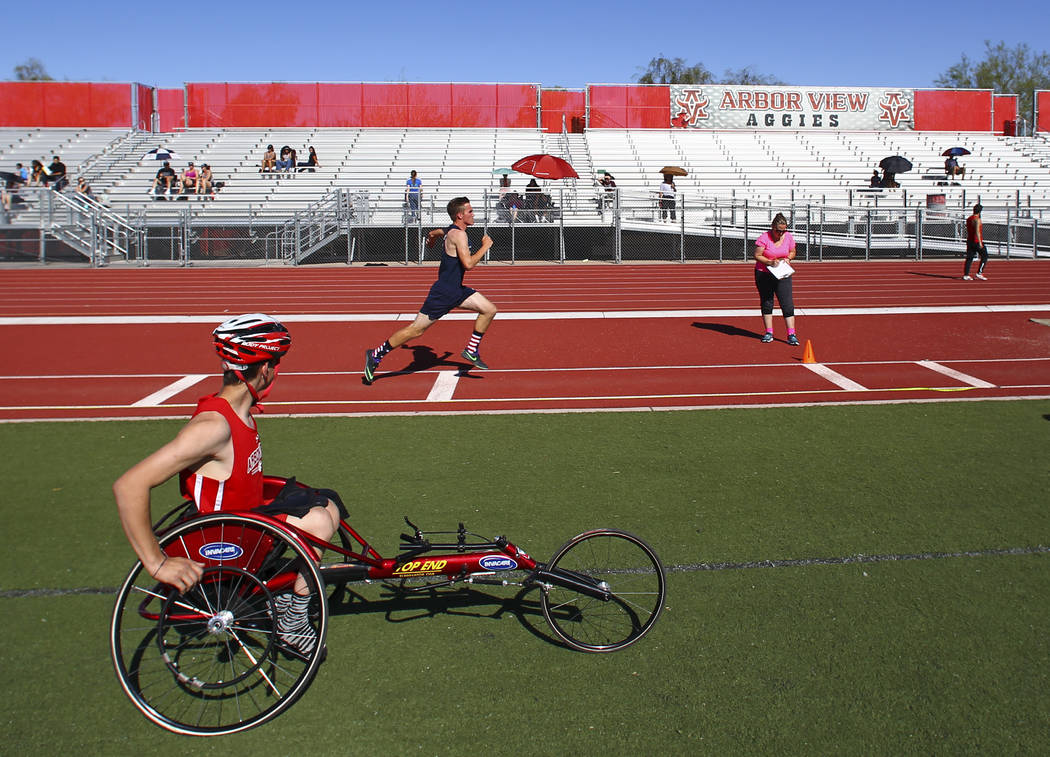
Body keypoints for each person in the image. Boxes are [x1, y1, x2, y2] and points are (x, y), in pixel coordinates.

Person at [113, 314, 344, 654]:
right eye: (276, 363)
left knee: (326, 503)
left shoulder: (238, 412)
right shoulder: (213, 427)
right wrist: (157, 561)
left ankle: (283, 595)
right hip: (226, 538)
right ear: (264, 369)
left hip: (246, 521)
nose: (277, 371)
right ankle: (291, 619)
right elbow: (129, 485)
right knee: (319, 521)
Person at [364, 197, 497, 383]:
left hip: (456, 290)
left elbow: (437, 231)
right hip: (443, 293)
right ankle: (376, 354)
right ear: (460, 215)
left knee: (489, 309)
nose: (473, 214)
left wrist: (431, 238)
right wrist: (485, 247)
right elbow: (468, 264)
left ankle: (471, 350)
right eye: (470, 211)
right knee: (416, 330)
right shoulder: (459, 235)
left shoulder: (452, 229)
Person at [753, 212, 799, 345]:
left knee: (787, 303)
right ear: (772, 227)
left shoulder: (788, 237)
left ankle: (791, 334)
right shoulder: (764, 238)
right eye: (778, 231)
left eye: (783, 231)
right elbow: (757, 254)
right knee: (767, 302)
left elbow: (793, 251)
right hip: (764, 273)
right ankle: (769, 332)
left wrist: (788, 258)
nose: (780, 234)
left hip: (782, 273)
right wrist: (769, 262)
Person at [963, 203, 988, 281]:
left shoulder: (969, 219)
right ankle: (979, 273)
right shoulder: (977, 220)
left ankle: (966, 275)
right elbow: (977, 231)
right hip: (976, 241)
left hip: (970, 241)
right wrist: (980, 242)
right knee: (985, 256)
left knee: (969, 258)